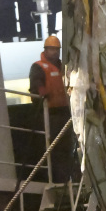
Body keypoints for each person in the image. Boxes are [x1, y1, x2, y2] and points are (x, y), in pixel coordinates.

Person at [29, 34, 73, 182]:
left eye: (57, 50)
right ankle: (58, 179)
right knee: (55, 149)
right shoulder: (38, 67)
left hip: (66, 114)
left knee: (67, 147)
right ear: (45, 50)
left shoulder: (64, 67)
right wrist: (41, 90)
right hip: (50, 115)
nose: (55, 52)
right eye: (51, 49)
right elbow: (36, 83)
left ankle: (69, 177)